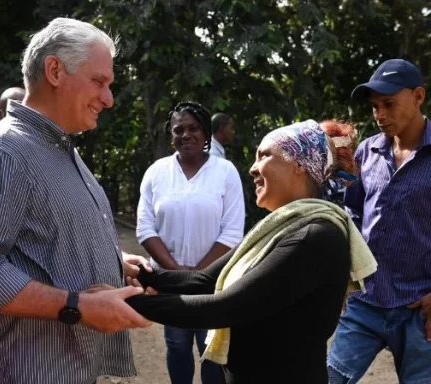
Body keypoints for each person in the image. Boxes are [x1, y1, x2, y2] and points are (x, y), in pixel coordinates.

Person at [0, 17, 152, 384]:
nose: (108, 99)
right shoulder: (4, 152)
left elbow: (39, 238)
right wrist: (77, 306)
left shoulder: (59, 148)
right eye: (99, 82)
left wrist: (114, 260)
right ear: (55, 70)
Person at [127, 119, 378, 384]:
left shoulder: (314, 236)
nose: (252, 169)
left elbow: (225, 307)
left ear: (299, 165)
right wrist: (140, 274)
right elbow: (204, 280)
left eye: (264, 156)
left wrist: (124, 304)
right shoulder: (277, 229)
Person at [327, 59, 431, 383]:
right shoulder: (367, 152)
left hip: (419, 309)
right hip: (365, 303)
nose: (380, 114)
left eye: (388, 104)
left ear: (418, 96)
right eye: (374, 107)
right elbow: (353, 215)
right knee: (329, 379)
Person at [136, 101, 246, 384]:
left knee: (211, 348)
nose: (186, 135)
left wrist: (199, 274)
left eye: (193, 128)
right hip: (169, 281)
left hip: (214, 281)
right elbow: (145, 228)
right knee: (177, 344)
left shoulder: (225, 172)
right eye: (178, 130)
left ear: (206, 132)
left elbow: (232, 232)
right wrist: (176, 272)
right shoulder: (157, 172)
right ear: (171, 136)